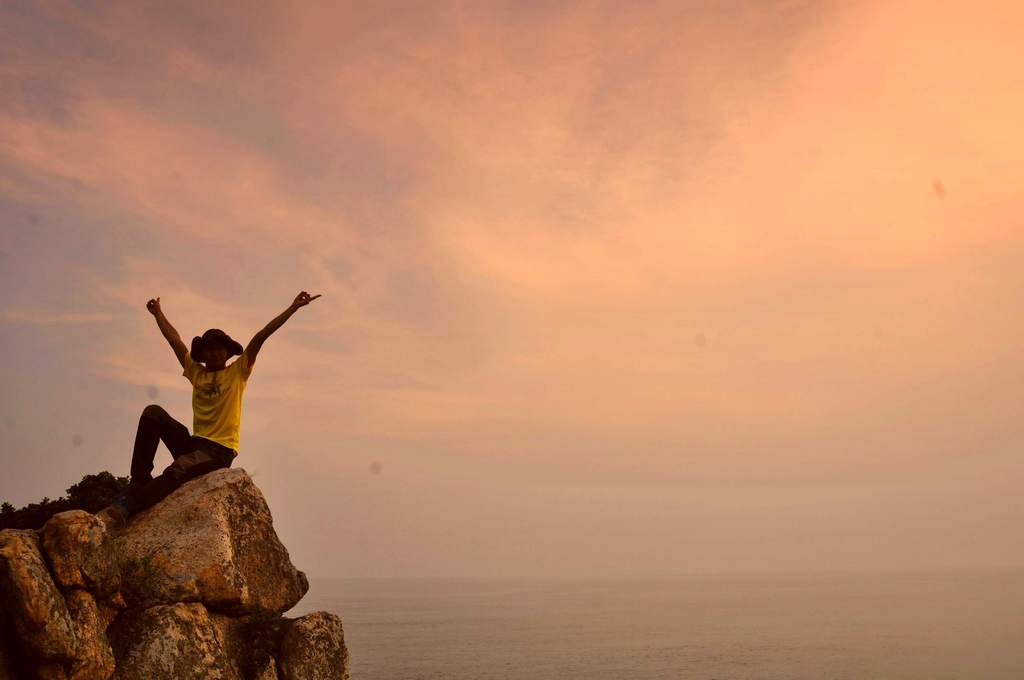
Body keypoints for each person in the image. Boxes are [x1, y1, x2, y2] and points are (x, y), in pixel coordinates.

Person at [96, 290, 322, 529]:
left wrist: (293, 307)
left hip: (218, 451)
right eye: (209, 349)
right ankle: (139, 482)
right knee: (153, 413)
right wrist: (158, 314)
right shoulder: (198, 373)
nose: (214, 352)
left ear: (227, 352)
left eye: (219, 348)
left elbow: (260, 337)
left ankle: (128, 504)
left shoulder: (237, 372)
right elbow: (175, 340)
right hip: (194, 444)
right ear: (202, 355)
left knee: (178, 469)